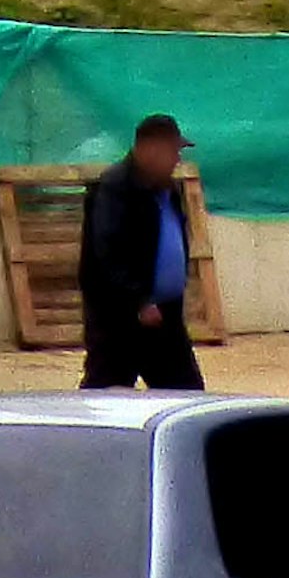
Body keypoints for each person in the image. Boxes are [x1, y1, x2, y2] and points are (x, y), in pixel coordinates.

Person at [80, 115, 204, 389]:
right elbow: (107, 253)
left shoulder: (167, 190)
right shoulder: (115, 188)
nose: (176, 161)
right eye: (173, 152)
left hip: (165, 318)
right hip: (122, 320)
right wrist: (138, 300)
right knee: (105, 399)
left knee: (187, 397)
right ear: (151, 150)